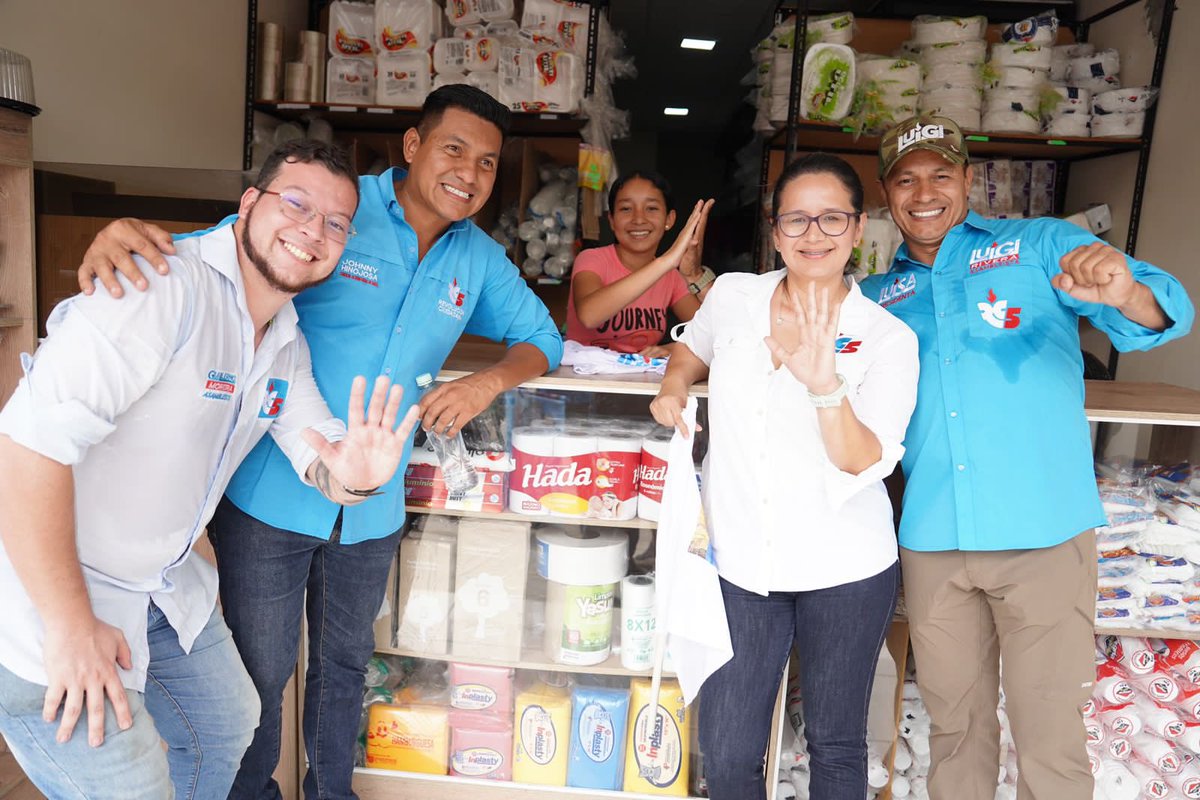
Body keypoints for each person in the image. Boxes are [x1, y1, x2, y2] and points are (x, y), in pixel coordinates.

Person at [75, 85, 563, 799]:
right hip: (273, 493)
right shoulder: (338, 206)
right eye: (454, 148)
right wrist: (123, 236)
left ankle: (333, 791)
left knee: (343, 665)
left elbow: (542, 338)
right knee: (259, 671)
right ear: (414, 146)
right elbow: (223, 252)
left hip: (372, 504)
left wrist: (485, 384)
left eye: (488, 163)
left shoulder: (477, 259)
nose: (469, 172)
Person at [0, 140, 421, 800]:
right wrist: (70, 624)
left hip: (161, 588)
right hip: (52, 597)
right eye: (296, 203)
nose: (313, 231)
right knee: (134, 785)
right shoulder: (155, 287)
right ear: (248, 204)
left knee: (228, 722)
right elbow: (26, 447)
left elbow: (318, 453)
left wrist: (359, 478)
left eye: (336, 223)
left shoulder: (283, 341)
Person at [860, 115, 1195, 800]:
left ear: (968, 180)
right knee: (955, 733)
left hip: (1044, 535)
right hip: (934, 539)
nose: (924, 192)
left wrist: (1123, 290)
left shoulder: (1039, 246)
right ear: (887, 197)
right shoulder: (873, 298)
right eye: (906, 179)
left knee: (1049, 738)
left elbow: (1167, 314)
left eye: (940, 174)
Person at [651, 153, 919, 800]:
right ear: (774, 232)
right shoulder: (735, 295)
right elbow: (694, 348)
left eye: (832, 218)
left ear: (858, 229)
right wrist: (673, 384)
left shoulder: (886, 338)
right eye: (796, 219)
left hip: (846, 571)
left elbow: (861, 460)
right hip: (743, 563)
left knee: (834, 744)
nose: (813, 234)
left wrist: (826, 387)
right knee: (729, 747)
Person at [566, 170, 715, 357]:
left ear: (669, 219)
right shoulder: (591, 260)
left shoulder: (670, 277)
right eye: (626, 209)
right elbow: (589, 315)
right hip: (583, 378)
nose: (638, 219)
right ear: (611, 220)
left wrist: (668, 349)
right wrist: (667, 260)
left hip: (638, 381)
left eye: (651, 208)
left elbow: (711, 335)